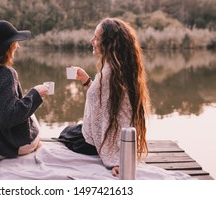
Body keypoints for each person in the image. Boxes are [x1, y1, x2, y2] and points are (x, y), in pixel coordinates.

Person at [59, 17, 150, 177]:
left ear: (109, 43)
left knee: (67, 132)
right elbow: (104, 101)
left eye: (96, 37)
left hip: (93, 142)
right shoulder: (122, 68)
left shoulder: (109, 74)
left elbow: (120, 115)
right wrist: (86, 80)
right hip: (100, 135)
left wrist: (117, 159)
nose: (91, 40)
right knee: (75, 128)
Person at [0, 20, 49, 159]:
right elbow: (9, 118)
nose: (17, 45)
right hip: (7, 146)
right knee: (33, 118)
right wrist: (35, 94)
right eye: (15, 42)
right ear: (8, 46)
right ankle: (34, 145)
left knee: (27, 109)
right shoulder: (6, 74)